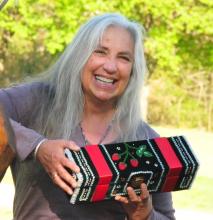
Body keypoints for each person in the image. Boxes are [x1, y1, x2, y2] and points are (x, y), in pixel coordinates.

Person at [0, 13, 175, 219]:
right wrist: (38, 146)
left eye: (124, 58)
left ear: (133, 69)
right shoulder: (38, 101)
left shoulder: (148, 142)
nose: (110, 67)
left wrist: (145, 215)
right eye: (100, 52)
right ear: (79, 55)